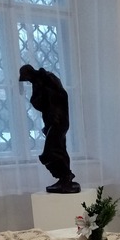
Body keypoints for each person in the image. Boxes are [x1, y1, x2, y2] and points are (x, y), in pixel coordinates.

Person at [19, 64, 80, 193]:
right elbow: (40, 103)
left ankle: (66, 176)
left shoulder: (47, 78)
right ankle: (65, 178)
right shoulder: (39, 81)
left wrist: (51, 108)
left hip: (58, 120)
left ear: (29, 74)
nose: (28, 81)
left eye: (27, 78)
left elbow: (56, 97)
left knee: (51, 151)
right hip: (53, 121)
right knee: (59, 149)